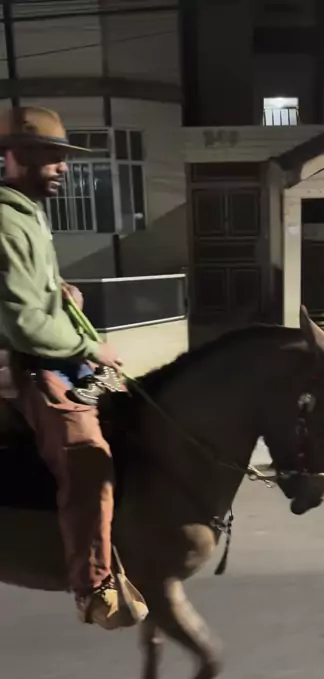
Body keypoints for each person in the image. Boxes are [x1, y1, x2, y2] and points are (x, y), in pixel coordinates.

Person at [0, 105, 148, 630]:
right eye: (51, 156)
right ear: (16, 157)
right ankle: (94, 588)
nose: (64, 167)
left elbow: (32, 297)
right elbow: (23, 324)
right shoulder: (6, 221)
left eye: (63, 157)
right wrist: (91, 349)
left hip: (48, 352)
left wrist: (60, 294)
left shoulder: (28, 214)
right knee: (89, 460)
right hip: (25, 365)